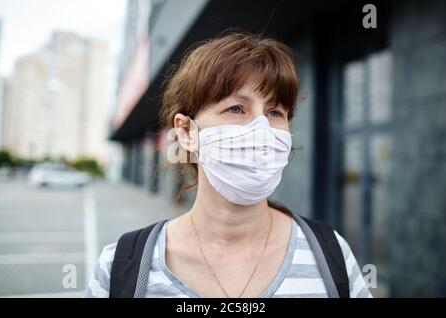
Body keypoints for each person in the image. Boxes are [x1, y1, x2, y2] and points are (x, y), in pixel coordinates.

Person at [84, 31, 372, 298]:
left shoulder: (331, 254)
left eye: (275, 112)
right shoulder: (121, 269)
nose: (262, 130)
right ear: (186, 132)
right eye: (236, 108)